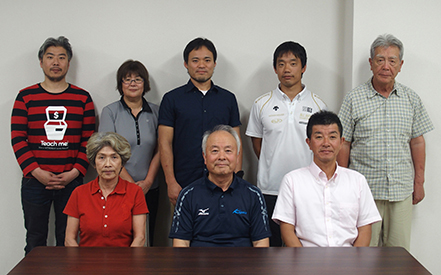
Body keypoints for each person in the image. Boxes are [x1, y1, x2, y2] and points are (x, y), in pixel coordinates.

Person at [338, 34, 434, 250]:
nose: (386, 66)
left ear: (400, 65)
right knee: (363, 255)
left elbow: (417, 142)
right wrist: (342, 183)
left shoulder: (411, 99)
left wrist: (419, 181)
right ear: (371, 64)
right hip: (364, 191)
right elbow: (343, 143)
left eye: (392, 61)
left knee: (398, 256)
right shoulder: (353, 98)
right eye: (380, 60)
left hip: (400, 191)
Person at [11, 36, 96, 254]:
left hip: (72, 183)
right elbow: (18, 137)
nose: (56, 62)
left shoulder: (82, 98)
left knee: (68, 241)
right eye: (50, 57)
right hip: (34, 182)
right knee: (35, 239)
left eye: (61, 57)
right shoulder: (25, 96)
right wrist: (36, 171)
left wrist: (75, 172)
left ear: (69, 63)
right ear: (41, 62)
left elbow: (88, 139)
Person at [246, 41, 327, 246]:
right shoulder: (261, 103)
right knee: (270, 249)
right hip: (270, 189)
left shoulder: (318, 105)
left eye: (293, 63)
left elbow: (322, 146)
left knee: (303, 247)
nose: (287, 69)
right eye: (281, 64)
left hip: (307, 188)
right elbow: (258, 144)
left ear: (303, 67)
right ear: (275, 68)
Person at [272, 111, 381, 247]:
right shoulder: (292, 181)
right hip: (306, 260)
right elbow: (287, 230)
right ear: (309, 143)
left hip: (348, 262)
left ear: (341, 142)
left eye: (332, 137)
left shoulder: (357, 181)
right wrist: (303, 263)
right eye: (319, 137)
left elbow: (365, 228)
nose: (326, 143)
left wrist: (354, 263)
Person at [158, 37, 242, 206]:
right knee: (186, 231)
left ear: (214, 64)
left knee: (224, 229)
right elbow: (164, 142)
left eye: (207, 60)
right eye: (195, 60)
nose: (201, 65)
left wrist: (237, 179)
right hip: (184, 181)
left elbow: (237, 143)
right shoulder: (172, 99)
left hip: (223, 180)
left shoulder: (228, 99)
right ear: (186, 64)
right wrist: (171, 182)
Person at [169, 125, 270, 247]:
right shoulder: (188, 195)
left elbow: (261, 243)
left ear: (237, 157)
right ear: (205, 157)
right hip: (199, 265)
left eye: (228, 151)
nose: (221, 157)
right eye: (215, 151)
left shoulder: (253, 195)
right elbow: (181, 243)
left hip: (243, 264)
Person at [99, 60, 160, 246]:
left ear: (145, 84)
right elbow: (108, 151)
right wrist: (131, 185)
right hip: (117, 186)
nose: (133, 84)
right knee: (120, 236)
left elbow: (161, 149)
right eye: (127, 80)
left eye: (138, 79)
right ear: (120, 84)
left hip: (150, 187)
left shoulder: (156, 112)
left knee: (146, 237)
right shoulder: (110, 112)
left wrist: (148, 181)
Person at [64, 132, 148, 247]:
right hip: (86, 262)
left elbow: (140, 238)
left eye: (114, 157)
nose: (108, 164)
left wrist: (128, 263)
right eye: (102, 158)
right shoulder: (79, 193)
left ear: (122, 162)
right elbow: (69, 239)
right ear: (94, 163)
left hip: (124, 262)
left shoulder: (135, 192)